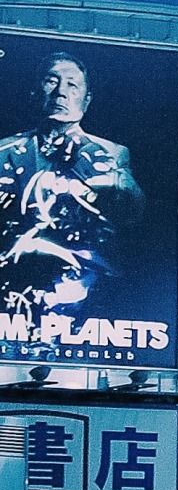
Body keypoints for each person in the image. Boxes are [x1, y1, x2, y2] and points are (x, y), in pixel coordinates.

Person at [0, 51, 144, 314]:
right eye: (51, 81)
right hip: (15, 282)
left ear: (86, 101)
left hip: (82, 285)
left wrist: (100, 187)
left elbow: (131, 211)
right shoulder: (5, 151)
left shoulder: (111, 153)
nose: (60, 93)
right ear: (35, 92)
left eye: (72, 85)